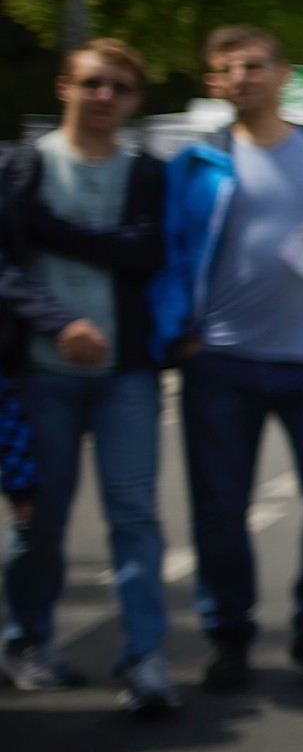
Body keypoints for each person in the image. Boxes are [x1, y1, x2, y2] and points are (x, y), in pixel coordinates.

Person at [153, 25, 303, 691]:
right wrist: (181, 333)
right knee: (220, 509)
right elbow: (170, 256)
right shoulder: (199, 163)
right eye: (226, 68)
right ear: (211, 82)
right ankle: (228, 635)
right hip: (220, 364)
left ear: (282, 74)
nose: (241, 78)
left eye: (253, 66)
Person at [0, 39, 176, 713]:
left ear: (135, 101)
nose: (106, 97)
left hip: (125, 375)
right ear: (63, 88)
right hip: (41, 376)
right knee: (39, 521)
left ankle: (146, 659)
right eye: (95, 84)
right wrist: (59, 324)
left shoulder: (146, 173)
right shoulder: (21, 168)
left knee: (135, 516)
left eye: (122, 88)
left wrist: (50, 230)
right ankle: (28, 641)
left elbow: (144, 252)